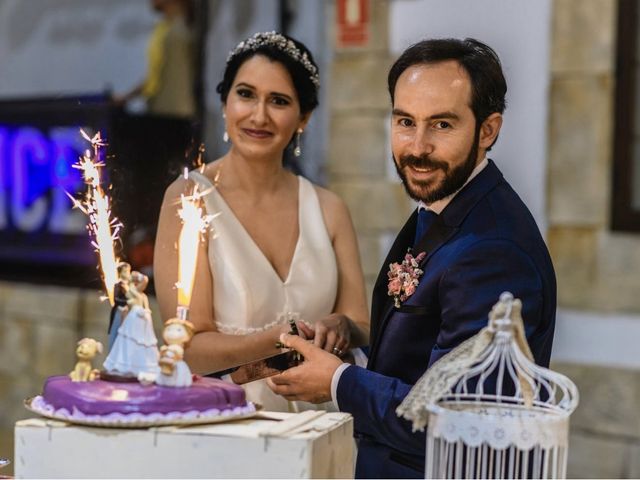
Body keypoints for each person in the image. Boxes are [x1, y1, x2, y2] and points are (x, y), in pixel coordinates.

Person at [267, 38, 557, 478]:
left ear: (488, 130)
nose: (417, 147)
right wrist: (353, 348)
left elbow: (456, 419)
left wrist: (336, 382)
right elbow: (423, 360)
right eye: (405, 121)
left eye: (441, 125)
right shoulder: (448, 203)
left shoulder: (493, 249)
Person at [154, 32, 369, 411]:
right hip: (228, 421)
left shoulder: (329, 208)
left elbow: (361, 326)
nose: (259, 115)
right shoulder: (189, 199)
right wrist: (278, 339)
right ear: (225, 103)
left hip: (323, 419)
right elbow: (186, 347)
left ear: (304, 117)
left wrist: (342, 326)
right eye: (246, 94)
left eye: (279, 101)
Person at [113, 0, 196, 119]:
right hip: (160, 110)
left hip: (177, 114)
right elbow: (155, 77)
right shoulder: (163, 28)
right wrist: (128, 97)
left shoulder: (182, 31)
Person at [103, 271, 160, 379]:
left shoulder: (140, 293)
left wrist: (138, 276)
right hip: (132, 316)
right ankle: (126, 364)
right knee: (127, 341)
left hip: (138, 317)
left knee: (139, 341)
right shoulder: (131, 289)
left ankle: (139, 365)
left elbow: (145, 280)